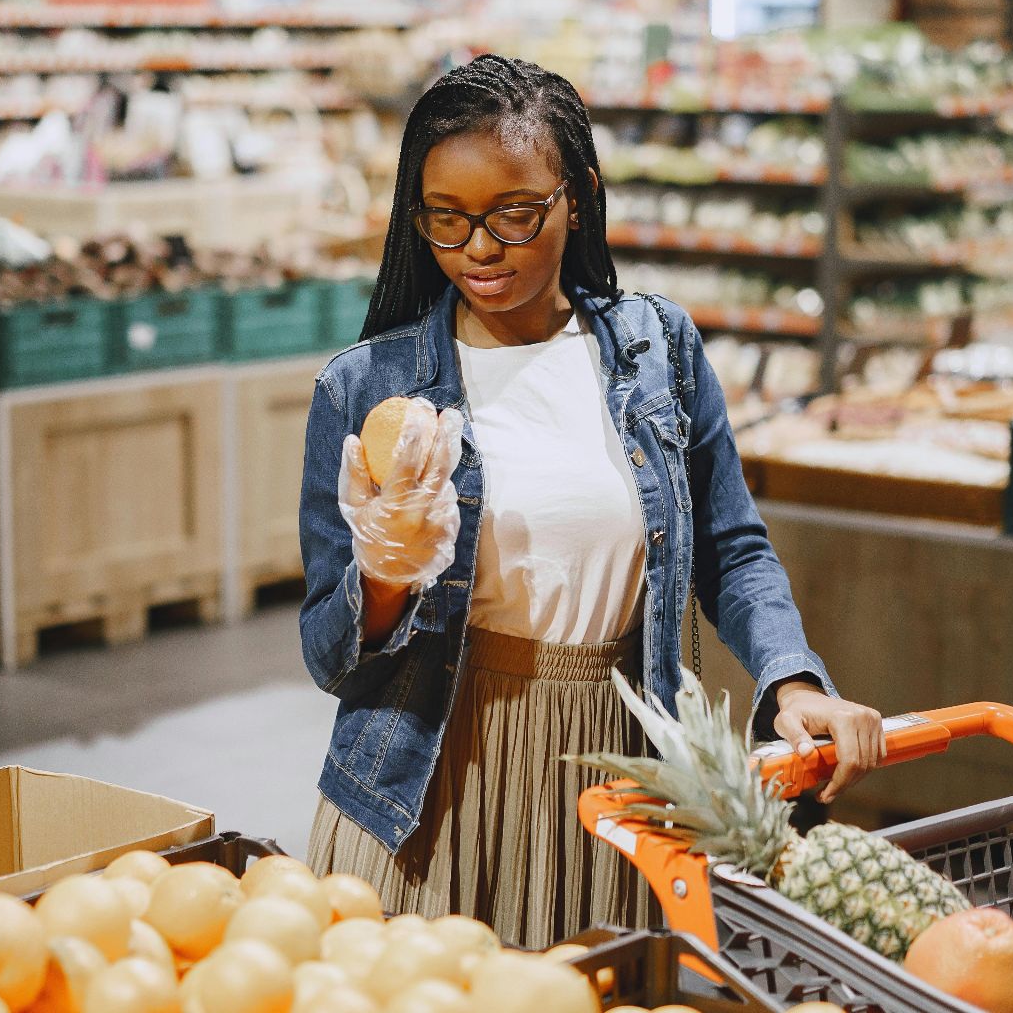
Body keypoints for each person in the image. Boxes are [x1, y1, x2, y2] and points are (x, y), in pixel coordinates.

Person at [298, 54, 884, 948]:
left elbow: (732, 548)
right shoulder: (366, 389)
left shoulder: (661, 351)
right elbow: (329, 653)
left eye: (514, 214)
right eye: (446, 221)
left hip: (613, 767)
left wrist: (792, 678)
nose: (479, 249)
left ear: (579, 196)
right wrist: (384, 571)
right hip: (427, 778)